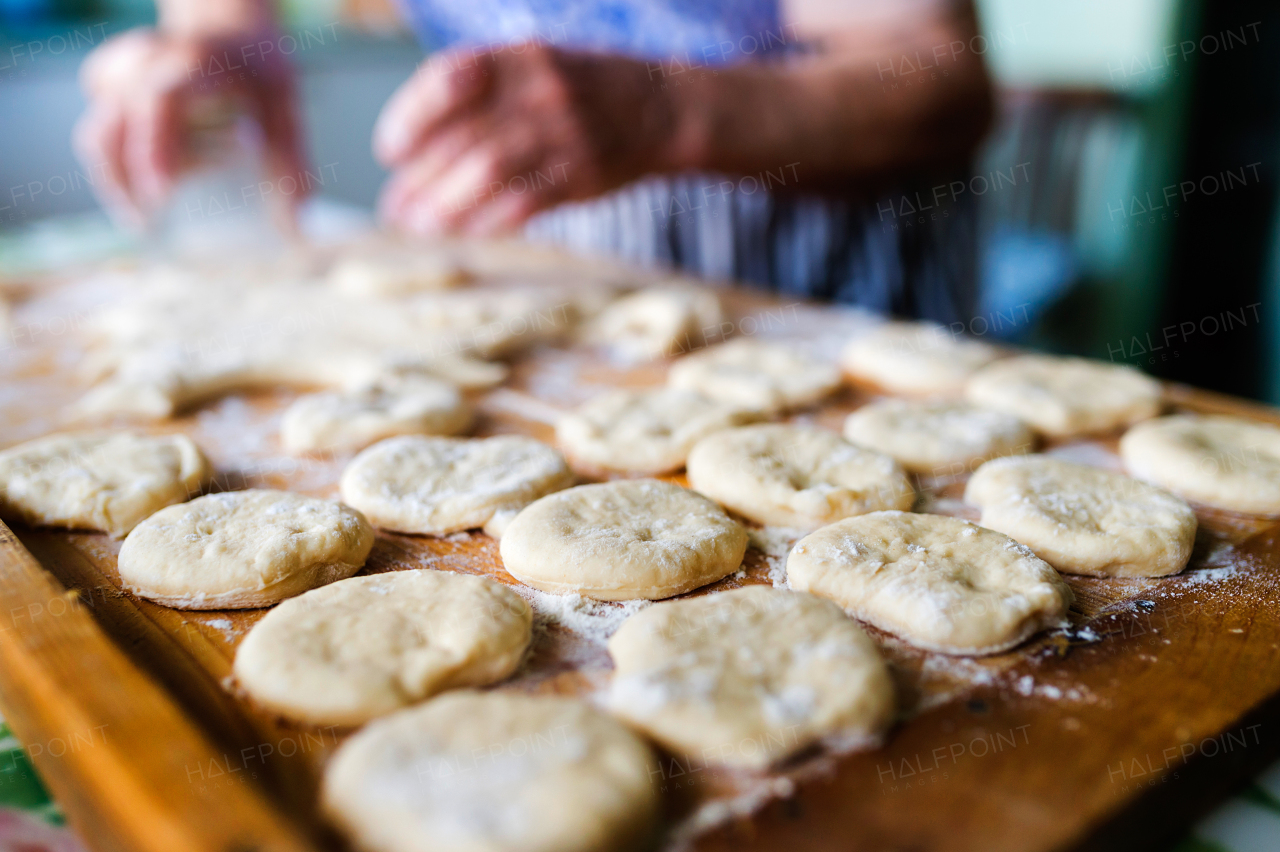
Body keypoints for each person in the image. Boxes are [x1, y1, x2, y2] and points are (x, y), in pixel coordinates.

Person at [74, 0, 993, 323]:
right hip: (531, 256)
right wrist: (203, 75)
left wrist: (666, 109)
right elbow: (220, 33)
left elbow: (939, 76)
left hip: (822, 276)